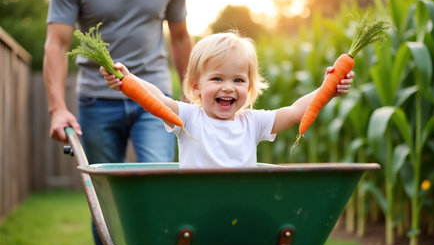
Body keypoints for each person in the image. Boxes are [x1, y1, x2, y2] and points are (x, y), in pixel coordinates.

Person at [43, 0, 192, 245]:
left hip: (154, 98)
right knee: (105, 198)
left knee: (157, 190)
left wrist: (193, 97)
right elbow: (57, 43)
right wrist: (57, 108)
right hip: (96, 101)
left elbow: (180, 37)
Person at [101, 31, 354, 169]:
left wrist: (327, 89)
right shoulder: (189, 118)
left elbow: (296, 110)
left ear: (250, 87)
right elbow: (158, 99)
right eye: (218, 79)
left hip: (241, 212)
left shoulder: (252, 122)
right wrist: (129, 80)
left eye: (238, 80)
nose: (228, 88)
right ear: (195, 87)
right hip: (196, 214)